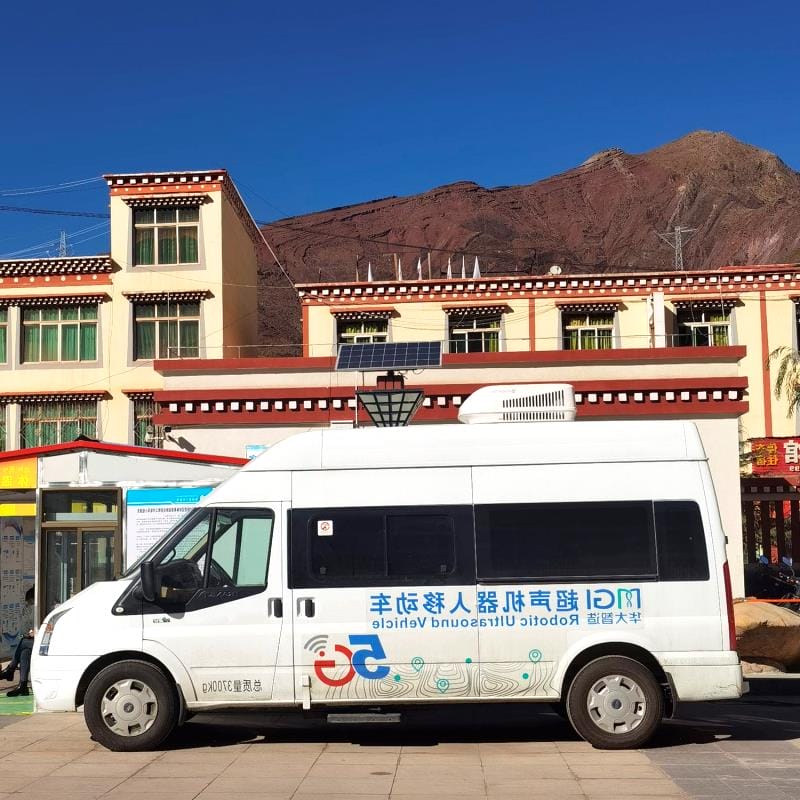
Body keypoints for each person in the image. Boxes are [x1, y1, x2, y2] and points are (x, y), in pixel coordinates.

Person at [0, 587, 35, 697]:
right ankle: (23, 686)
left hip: (42, 642)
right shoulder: (31, 610)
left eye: (29, 602)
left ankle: (11, 669)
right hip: (31, 642)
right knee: (24, 652)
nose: (28, 605)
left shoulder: (40, 609)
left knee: (23, 643)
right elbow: (25, 630)